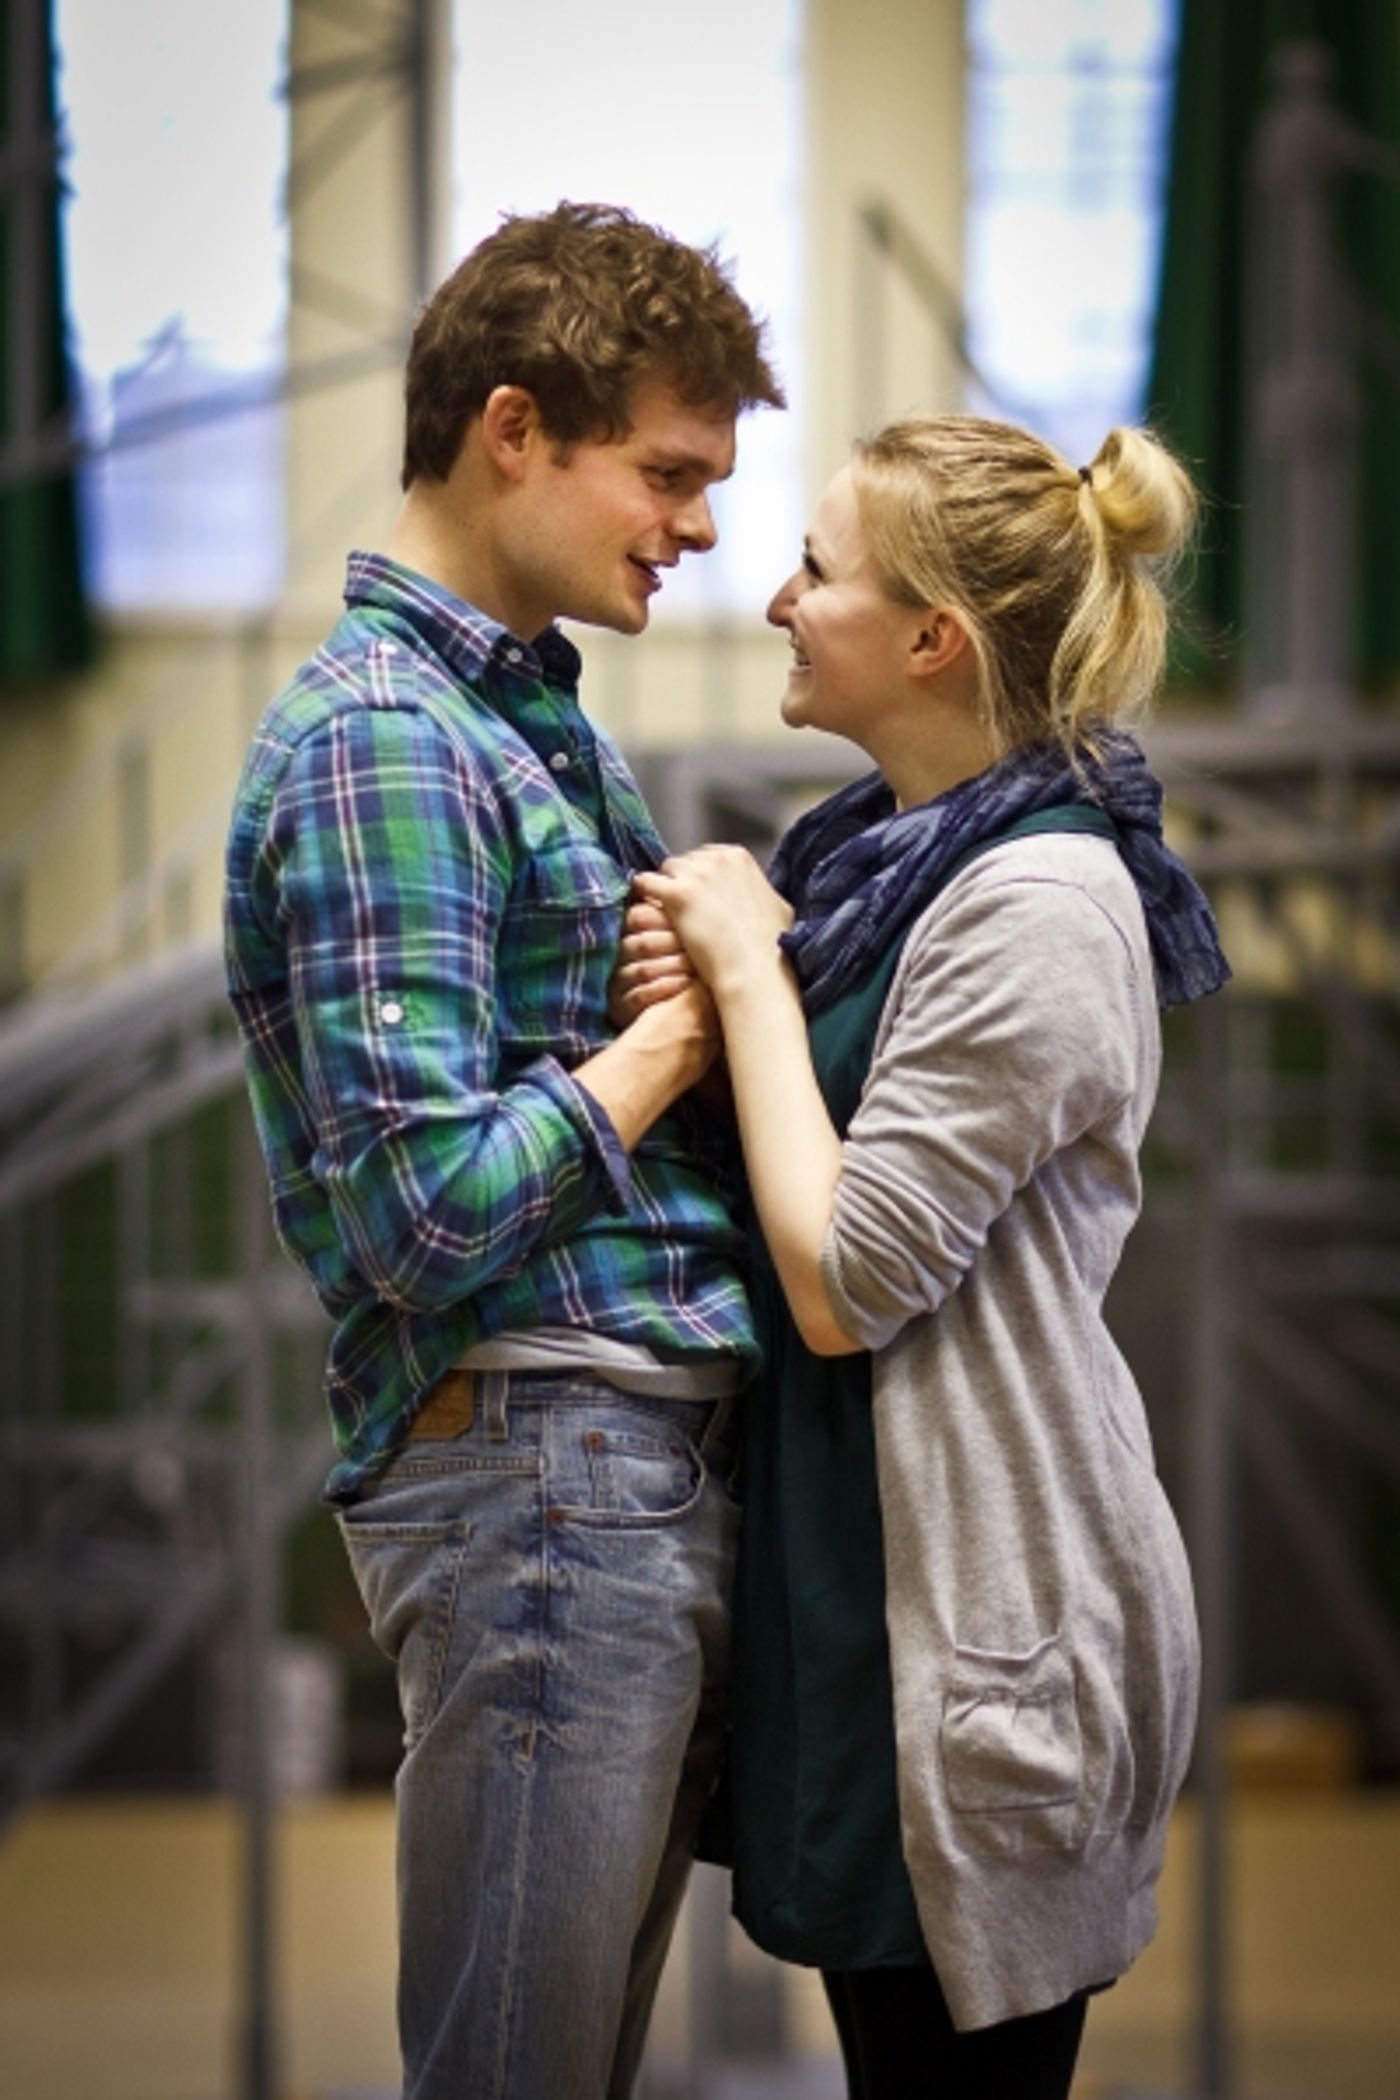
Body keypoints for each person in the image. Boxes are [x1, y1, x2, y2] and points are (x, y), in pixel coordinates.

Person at [223, 201, 784, 2100]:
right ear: (516, 429)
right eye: (671, 471)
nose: (700, 527)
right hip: (543, 1472)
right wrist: (668, 1040)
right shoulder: (390, 738)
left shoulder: (531, 727)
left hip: (608, 1469)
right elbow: (415, 1214)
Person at [618, 414, 1229, 2099]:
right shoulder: (877, 864)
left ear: (932, 640)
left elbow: (842, 1280)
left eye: (818, 571)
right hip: (857, 1601)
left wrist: (748, 968)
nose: (776, 600)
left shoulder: (1036, 903)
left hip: (986, 1618)